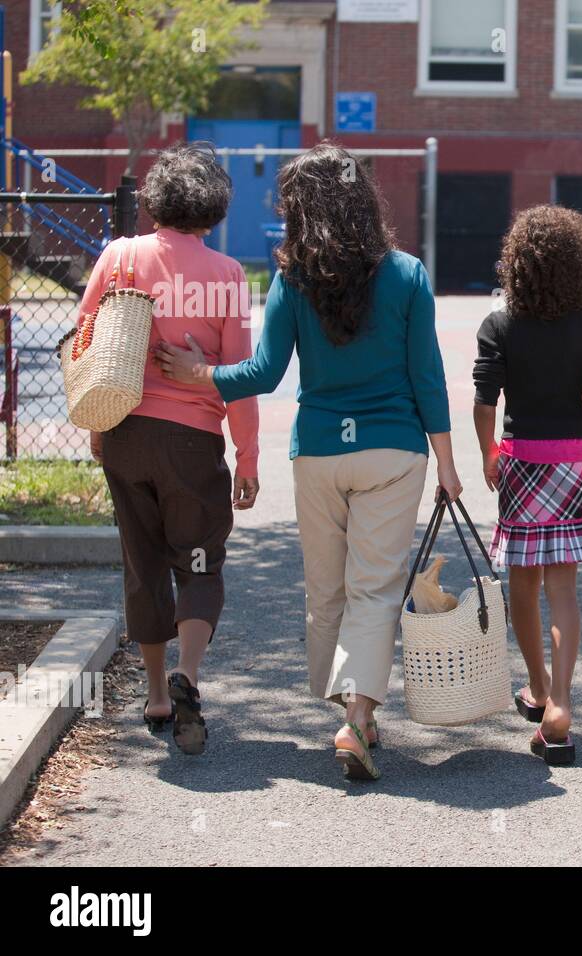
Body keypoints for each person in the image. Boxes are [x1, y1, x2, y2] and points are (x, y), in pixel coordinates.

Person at [158, 142, 461, 782]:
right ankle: (357, 716)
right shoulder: (408, 274)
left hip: (320, 452)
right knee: (375, 590)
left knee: (326, 594)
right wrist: (449, 462)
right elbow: (428, 377)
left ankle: (349, 705)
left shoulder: (293, 280)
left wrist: (196, 373)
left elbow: (263, 374)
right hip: (393, 450)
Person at [80, 143, 258, 756]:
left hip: (127, 431)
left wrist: (99, 428)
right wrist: (250, 458)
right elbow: (240, 375)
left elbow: (86, 341)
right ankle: (189, 673)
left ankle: (156, 694)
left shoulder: (119, 256)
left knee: (143, 561)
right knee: (200, 562)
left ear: (156, 199)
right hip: (194, 439)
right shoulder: (229, 276)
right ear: (214, 208)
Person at [473, 205, 582, 767]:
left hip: (522, 461)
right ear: (578, 263)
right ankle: (560, 701)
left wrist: (488, 452)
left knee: (524, 584)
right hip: (574, 463)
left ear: (517, 264)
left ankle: (535, 686)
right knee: (564, 590)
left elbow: (485, 400)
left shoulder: (499, 324)